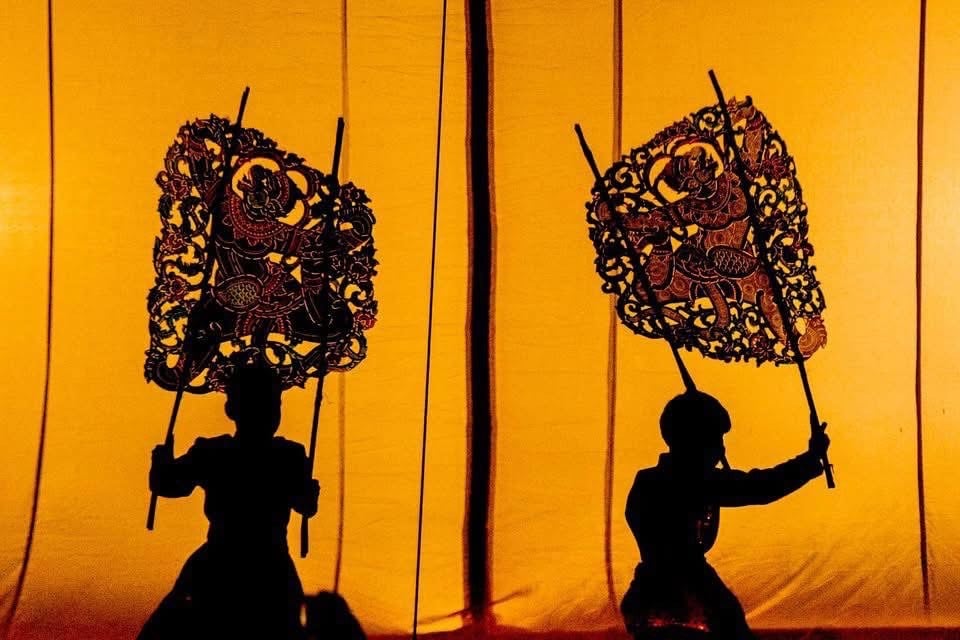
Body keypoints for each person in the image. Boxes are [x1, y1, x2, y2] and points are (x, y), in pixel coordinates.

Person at [621, 390, 829, 640]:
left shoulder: (648, 481)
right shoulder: (691, 481)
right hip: (686, 598)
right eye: (715, 439)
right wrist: (811, 458)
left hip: (648, 598)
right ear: (693, 441)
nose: (721, 449)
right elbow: (760, 487)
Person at [138, 360, 320, 640]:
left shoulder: (215, 452)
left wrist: (162, 462)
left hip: (221, 564)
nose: (270, 413)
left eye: (274, 404)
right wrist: (309, 493)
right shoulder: (287, 455)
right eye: (264, 405)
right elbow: (306, 506)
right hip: (267, 568)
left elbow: (168, 485)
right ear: (233, 409)